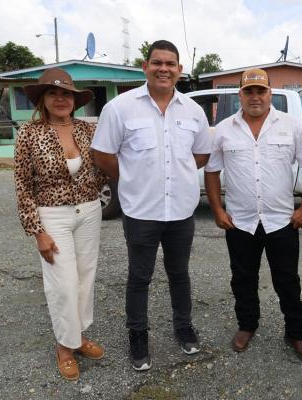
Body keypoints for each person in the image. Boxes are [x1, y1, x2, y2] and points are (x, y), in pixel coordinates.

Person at [91, 40, 212, 371]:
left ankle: (183, 328)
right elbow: (101, 153)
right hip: (141, 211)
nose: (163, 69)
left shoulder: (193, 111)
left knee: (179, 273)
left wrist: (178, 172)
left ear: (179, 70)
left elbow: (202, 153)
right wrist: (131, 176)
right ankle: (138, 336)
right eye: (157, 62)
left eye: (170, 64)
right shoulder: (120, 107)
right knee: (139, 276)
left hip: (181, 211)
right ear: (145, 67)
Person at [204, 68, 302, 361]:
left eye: (261, 91)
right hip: (240, 222)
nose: (255, 97)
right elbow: (212, 171)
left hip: (281, 221)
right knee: (242, 278)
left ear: (270, 93)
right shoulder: (224, 130)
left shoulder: (291, 126)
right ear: (240, 95)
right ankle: (247, 325)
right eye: (249, 91)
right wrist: (217, 209)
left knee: (288, 281)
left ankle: (296, 332)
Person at [14, 68, 108, 381]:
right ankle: (64, 347)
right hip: (51, 215)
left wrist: (96, 187)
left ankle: (77, 337)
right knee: (63, 283)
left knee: (85, 277)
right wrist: (37, 231)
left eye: (66, 93)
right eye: (53, 93)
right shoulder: (29, 133)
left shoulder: (87, 129)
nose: (60, 99)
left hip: (89, 211)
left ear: (74, 100)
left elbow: (102, 167)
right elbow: (22, 185)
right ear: (42, 99)